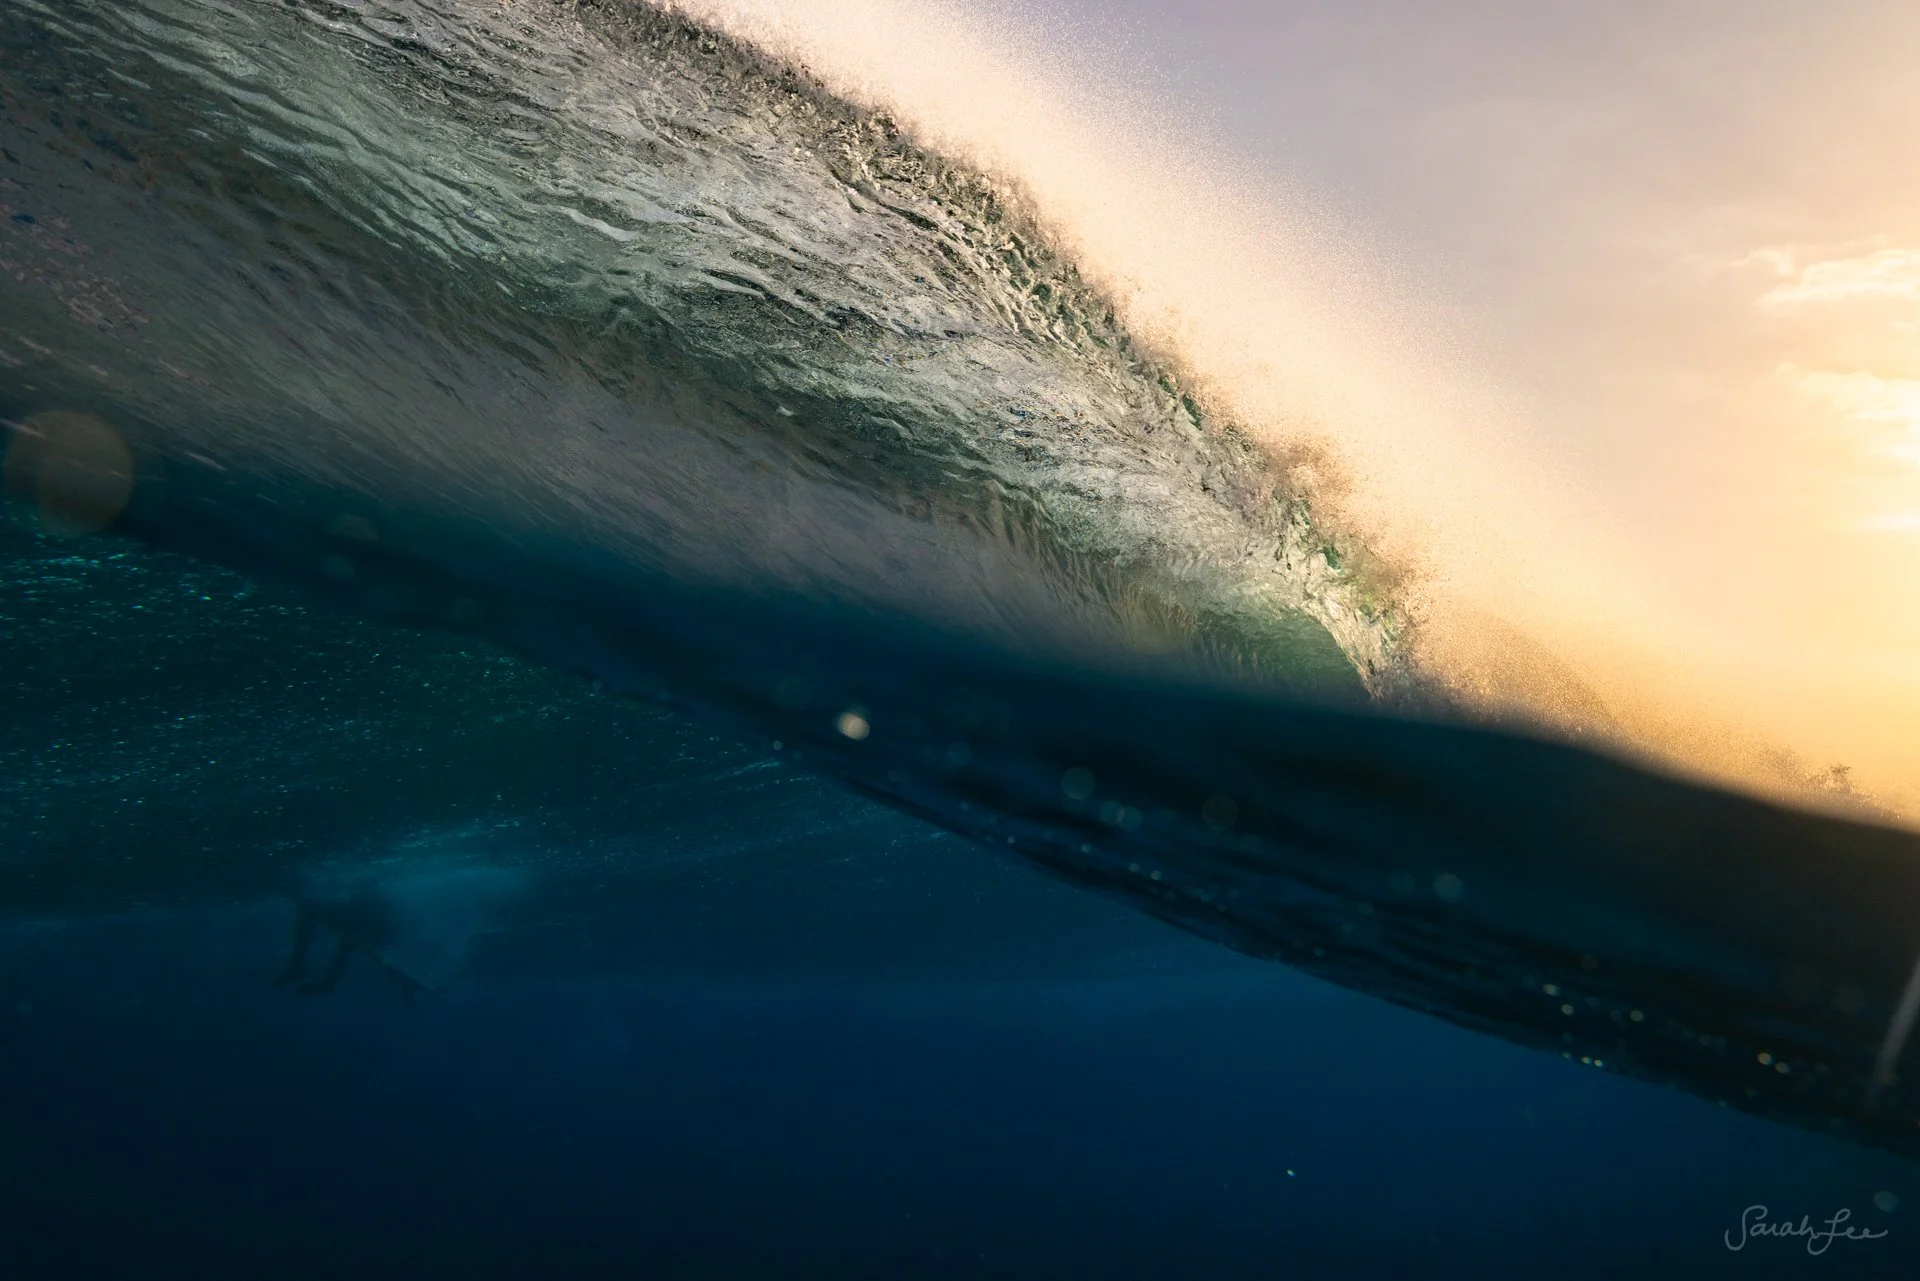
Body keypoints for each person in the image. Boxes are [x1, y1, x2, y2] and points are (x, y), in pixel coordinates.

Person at [273, 883, 434, 1003]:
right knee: (351, 938)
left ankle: (299, 968)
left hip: (374, 928)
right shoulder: (351, 915)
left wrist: (328, 983)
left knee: (352, 939)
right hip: (371, 926)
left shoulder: (361, 920)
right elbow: (350, 947)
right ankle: (299, 968)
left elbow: (348, 948)